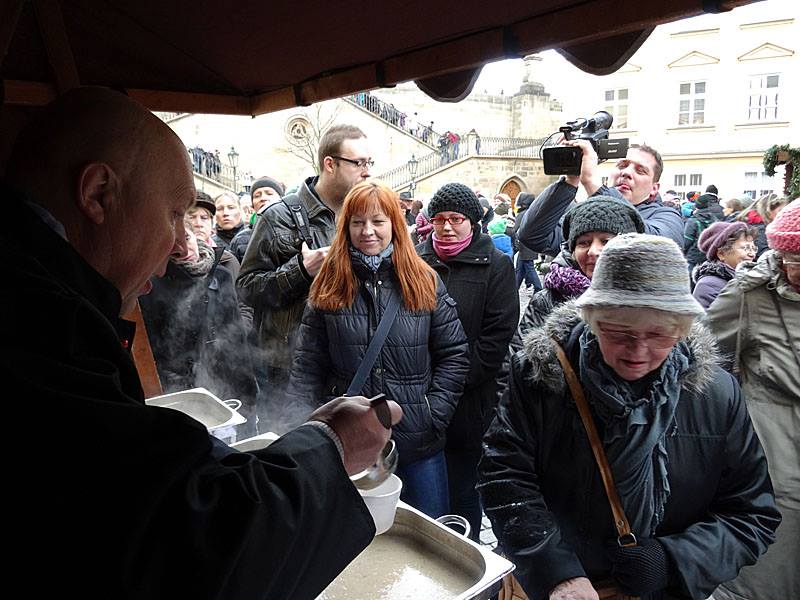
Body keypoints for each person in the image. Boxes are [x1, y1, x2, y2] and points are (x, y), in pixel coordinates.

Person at [2, 87, 401, 599]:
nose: (177, 247)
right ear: (99, 193)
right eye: (173, 213)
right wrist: (330, 446)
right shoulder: (36, 325)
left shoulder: (38, 294)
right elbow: (188, 552)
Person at [478, 233, 780, 600]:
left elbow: (751, 515)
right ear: (592, 320)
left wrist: (673, 560)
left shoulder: (716, 395)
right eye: (618, 332)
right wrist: (555, 571)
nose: (638, 350)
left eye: (658, 334)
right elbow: (505, 473)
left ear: (682, 328)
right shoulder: (543, 377)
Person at [286, 181, 469, 516]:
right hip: (349, 440)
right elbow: (307, 364)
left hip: (417, 440)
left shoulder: (424, 279)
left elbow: (454, 354)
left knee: (428, 539)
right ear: (346, 227)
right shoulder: (328, 281)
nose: (367, 231)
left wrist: (432, 413)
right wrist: (304, 428)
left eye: (377, 222)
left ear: (394, 226)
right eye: (358, 222)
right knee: (353, 543)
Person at [237, 124, 372, 418]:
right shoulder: (278, 216)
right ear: (330, 164)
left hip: (348, 362)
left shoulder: (364, 216)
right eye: (359, 163)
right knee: (291, 450)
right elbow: (247, 288)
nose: (367, 171)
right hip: (288, 368)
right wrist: (301, 269)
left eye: (369, 163)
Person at [706, 198, 800, 600]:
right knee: (766, 576)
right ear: (780, 255)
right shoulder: (752, 295)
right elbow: (701, 352)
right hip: (773, 459)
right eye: (796, 261)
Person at [417, 182, 519, 539]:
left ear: (472, 221)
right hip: (419, 400)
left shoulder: (496, 265)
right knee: (423, 499)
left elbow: (496, 338)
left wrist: (449, 383)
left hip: (469, 403)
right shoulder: (415, 259)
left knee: (463, 493)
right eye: (439, 219)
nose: (446, 227)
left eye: (455, 219)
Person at [139, 226, 260, 437]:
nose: (183, 248)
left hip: (224, 386)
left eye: (186, 237)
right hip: (179, 393)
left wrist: (248, 393)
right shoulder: (151, 284)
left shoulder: (220, 275)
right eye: (172, 242)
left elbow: (235, 339)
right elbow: (153, 346)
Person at [508, 195, 645, 361]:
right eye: (584, 242)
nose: (593, 251)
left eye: (606, 241)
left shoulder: (651, 300)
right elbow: (515, 362)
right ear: (572, 250)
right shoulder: (546, 301)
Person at [518, 141, 684, 255]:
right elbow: (533, 237)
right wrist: (569, 182)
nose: (626, 173)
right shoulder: (582, 214)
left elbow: (653, 247)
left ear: (654, 188)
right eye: (622, 165)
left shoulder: (667, 217)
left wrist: (592, 183)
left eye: (641, 170)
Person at [691, 221, 757, 309]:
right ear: (721, 254)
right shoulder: (708, 286)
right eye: (745, 248)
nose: (752, 254)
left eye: (753, 248)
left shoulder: (752, 277)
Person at [229, 176, 285, 262]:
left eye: (269, 193)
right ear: (253, 206)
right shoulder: (240, 240)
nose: (263, 198)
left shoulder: (295, 230)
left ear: (281, 199)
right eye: (257, 196)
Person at [736, 192, 788, 257]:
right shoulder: (759, 228)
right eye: (780, 210)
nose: (784, 214)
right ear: (768, 211)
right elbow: (764, 253)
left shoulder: (762, 225)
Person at [682, 192, 719, 274]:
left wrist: (684, 252)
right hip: (709, 255)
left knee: (691, 281)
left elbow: (687, 240)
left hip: (694, 256)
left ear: (696, 205)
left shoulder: (693, 221)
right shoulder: (715, 220)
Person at [513, 192, 543, 292]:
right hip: (530, 244)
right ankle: (514, 288)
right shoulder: (533, 213)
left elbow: (515, 229)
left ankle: (538, 288)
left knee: (529, 267)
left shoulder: (521, 214)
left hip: (524, 245)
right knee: (520, 268)